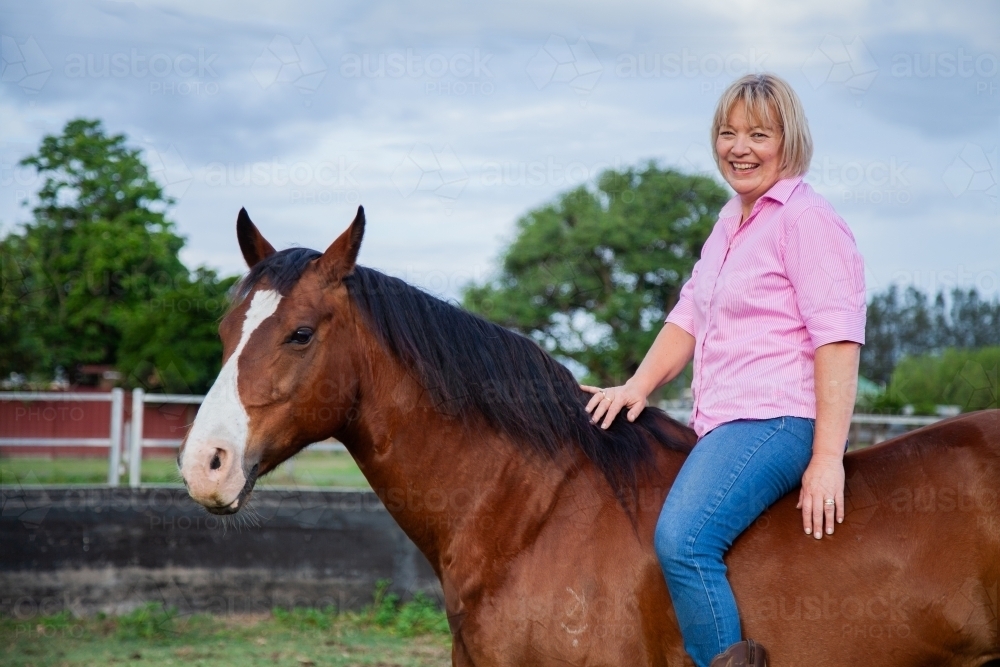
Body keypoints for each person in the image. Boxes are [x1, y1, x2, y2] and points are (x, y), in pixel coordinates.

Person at [583, 73, 866, 667]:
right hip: (722, 422)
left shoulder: (804, 220)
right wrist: (636, 385)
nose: (739, 147)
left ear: (789, 142)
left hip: (777, 418)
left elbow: (837, 341)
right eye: (726, 132)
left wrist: (826, 458)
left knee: (683, 542)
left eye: (758, 134)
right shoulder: (730, 223)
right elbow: (689, 313)